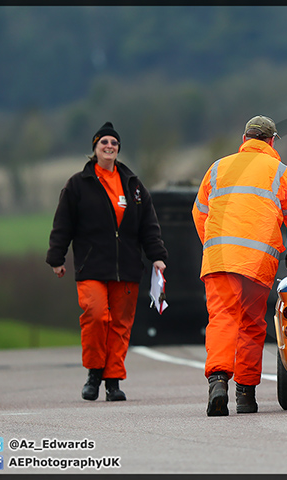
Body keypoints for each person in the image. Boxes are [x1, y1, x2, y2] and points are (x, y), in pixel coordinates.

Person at [46, 121, 168, 402]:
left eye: (114, 143)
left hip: (127, 267)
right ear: (95, 148)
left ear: (118, 148)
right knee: (96, 316)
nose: (109, 147)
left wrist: (158, 257)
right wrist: (57, 257)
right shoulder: (78, 184)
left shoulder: (134, 186)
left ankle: (113, 381)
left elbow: (149, 225)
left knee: (121, 325)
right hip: (92, 266)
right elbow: (63, 222)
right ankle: (93, 373)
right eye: (104, 143)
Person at [192, 115, 287, 417]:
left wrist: (213, 245)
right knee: (252, 326)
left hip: (219, 259)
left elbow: (199, 213)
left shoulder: (217, 168)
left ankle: (217, 381)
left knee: (221, 319)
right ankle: (246, 394)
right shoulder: (282, 173)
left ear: (244, 140)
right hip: (257, 263)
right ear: (271, 141)